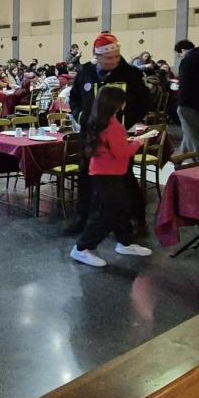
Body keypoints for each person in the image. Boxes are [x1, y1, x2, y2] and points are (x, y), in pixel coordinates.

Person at [67, 33, 151, 234]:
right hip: (90, 136)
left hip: (117, 135)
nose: (113, 61)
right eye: (108, 58)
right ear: (97, 56)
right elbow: (75, 98)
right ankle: (83, 218)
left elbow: (144, 102)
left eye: (116, 56)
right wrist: (81, 117)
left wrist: (124, 122)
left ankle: (135, 220)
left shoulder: (131, 74)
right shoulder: (86, 72)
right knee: (86, 177)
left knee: (124, 179)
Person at [70, 86, 157, 268]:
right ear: (118, 104)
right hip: (107, 174)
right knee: (106, 214)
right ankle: (82, 248)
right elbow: (122, 152)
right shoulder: (113, 126)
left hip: (107, 172)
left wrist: (128, 142)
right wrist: (138, 142)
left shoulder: (100, 121)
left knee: (121, 209)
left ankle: (125, 242)